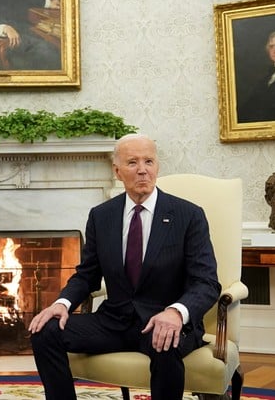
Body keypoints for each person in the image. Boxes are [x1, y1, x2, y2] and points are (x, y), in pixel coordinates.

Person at [28, 134, 220, 400]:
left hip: (163, 319)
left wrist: (176, 313)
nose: (142, 169)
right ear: (117, 171)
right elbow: (87, 275)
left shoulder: (188, 215)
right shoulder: (101, 216)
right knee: (45, 331)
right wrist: (62, 304)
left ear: (157, 167)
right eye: (132, 162)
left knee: (166, 341)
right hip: (114, 321)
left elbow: (206, 282)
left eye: (149, 161)